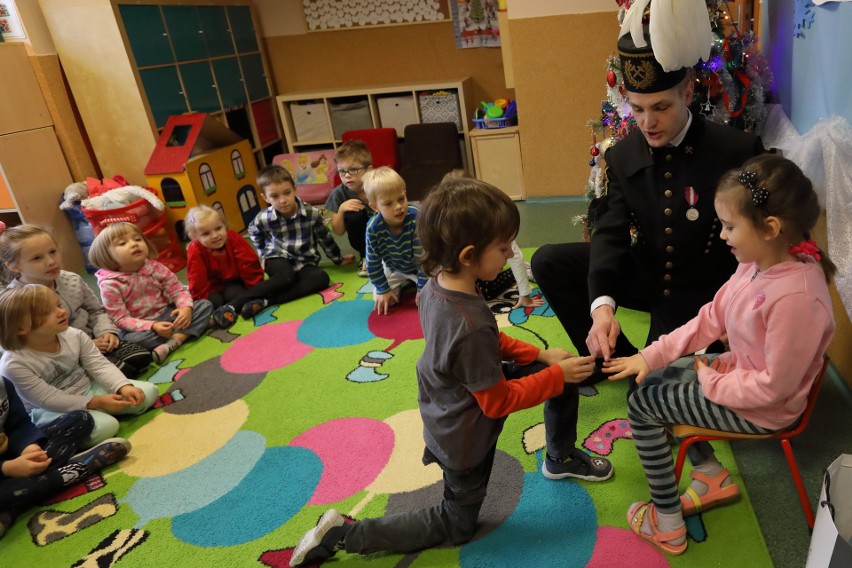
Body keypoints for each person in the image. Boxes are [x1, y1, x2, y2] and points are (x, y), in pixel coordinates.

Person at [289, 177, 613, 567]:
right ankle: (345, 534)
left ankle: (559, 458)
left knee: (557, 377)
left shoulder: (438, 284)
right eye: (503, 246)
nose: (512, 251)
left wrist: (541, 357)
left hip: (459, 389)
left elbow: (491, 341)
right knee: (457, 524)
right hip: (464, 431)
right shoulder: (468, 323)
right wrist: (557, 376)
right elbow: (496, 403)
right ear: (468, 254)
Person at [603, 154, 836, 555]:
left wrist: (711, 379)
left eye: (730, 226)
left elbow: (774, 388)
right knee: (659, 377)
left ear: (770, 228)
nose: (723, 235)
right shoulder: (756, 263)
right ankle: (710, 473)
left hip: (765, 409)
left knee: (643, 403)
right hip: (741, 379)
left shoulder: (797, 297)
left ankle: (669, 524)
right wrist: (652, 356)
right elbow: (712, 316)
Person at [531, 21, 764, 384]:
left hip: (704, 295)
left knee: (650, 396)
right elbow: (610, 234)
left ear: (687, 94)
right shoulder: (623, 156)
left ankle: (644, 364)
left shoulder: (736, 150)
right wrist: (602, 309)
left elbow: (764, 242)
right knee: (548, 260)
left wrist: (738, 312)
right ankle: (611, 358)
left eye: (660, 107)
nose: (647, 122)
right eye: (637, 109)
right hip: (649, 274)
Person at [0, 284, 158, 448]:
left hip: (88, 389)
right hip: (50, 410)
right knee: (106, 427)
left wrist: (123, 386)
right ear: (20, 328)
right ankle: (58, 435)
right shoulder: (14, 364)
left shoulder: (74, 334)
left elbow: (100, 365)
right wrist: (97, 402)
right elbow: (48, 399)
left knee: (147, 392)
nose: (61, 312)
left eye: (58, 305)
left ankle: (103, 411)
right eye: (47, 312)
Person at [0, 224, 152, 378]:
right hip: (66, 357)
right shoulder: (15, 300)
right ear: (14, 266)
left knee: (142, 357)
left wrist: (106, 332)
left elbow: (96, 310)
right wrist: (82, 348)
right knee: (126, 372)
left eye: (53, 252)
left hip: (96, 339)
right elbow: (22, 345)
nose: (51, 261)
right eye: (37, 258)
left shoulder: (71, 279)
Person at [0, 377, 130, 539]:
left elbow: (19, 424)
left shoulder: (3, 384)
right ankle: (79, 467)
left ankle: (11, 505)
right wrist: (7, 468)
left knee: (80, 418)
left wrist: (30, 447)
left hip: (14, 455)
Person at [88, 223, 213, 364]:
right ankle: (190, 329)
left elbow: (177, 289)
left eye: (137, 239)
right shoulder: (110, 284)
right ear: (107, 255)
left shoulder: (154, 267)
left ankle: (174, 341)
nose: (134, 244)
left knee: (204, 305)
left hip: (169, 314)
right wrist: (152, 326)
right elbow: (120, 319)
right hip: (143, 327)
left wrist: (185, 308)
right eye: (123, 243)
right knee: (132, 341)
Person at [248, 166, 355, 311]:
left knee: (321, 278)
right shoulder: (263, 217)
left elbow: (325, 238)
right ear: (265, 198)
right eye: (275, 196)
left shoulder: (312, 213)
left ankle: (268, 301)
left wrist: (338, 259)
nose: (283, 200)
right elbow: (253, 231)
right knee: (286, 276)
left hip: (305, 262)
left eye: (287, 193)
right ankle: (243, 299)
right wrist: (263, 254)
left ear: (294, 189)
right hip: (278, 258)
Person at [442, 169, 543, 309]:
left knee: (487, 291)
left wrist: (524, 294)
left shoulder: (492, 223)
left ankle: (524, 271)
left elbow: (514, 255)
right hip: (470, 272)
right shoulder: (447, 224)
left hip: (485, 270)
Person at [184, 206, 272, 328]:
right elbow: (196, 277)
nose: (215, 235)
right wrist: (200, 299)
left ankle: (246, 305)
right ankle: (222, 313)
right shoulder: (196, 249)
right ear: (195, 237)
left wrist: (256, 288)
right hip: (212, 287)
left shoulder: (233, 238)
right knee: (211, 303)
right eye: (206, 233)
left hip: (234, 282)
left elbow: (248, 263)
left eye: (218, 228)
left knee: (236, 294)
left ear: (224, 225)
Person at [361, 167, 426, 314]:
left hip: (420, 267)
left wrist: (422, 287)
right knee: (383, 300)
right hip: (394, 268)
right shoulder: (373, 228)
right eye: (388, 204)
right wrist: (383, 289)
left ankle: (415, 284)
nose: (398, 207)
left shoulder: (415, 217)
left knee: (434, 297)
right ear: (375, 207)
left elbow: (424, 258)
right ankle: (405, 284)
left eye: (401, 199)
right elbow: (373, 263)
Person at [324, 140, 373, 275]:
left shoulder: (378, 185)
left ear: (368, 170)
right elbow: (338, 231)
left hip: (387, 235)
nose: (346, 175)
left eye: (353, 169)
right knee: (354, 215)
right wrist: (341, 211)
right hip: (363, 242)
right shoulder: (339, 193)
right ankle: (366, 256)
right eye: (341, 171)